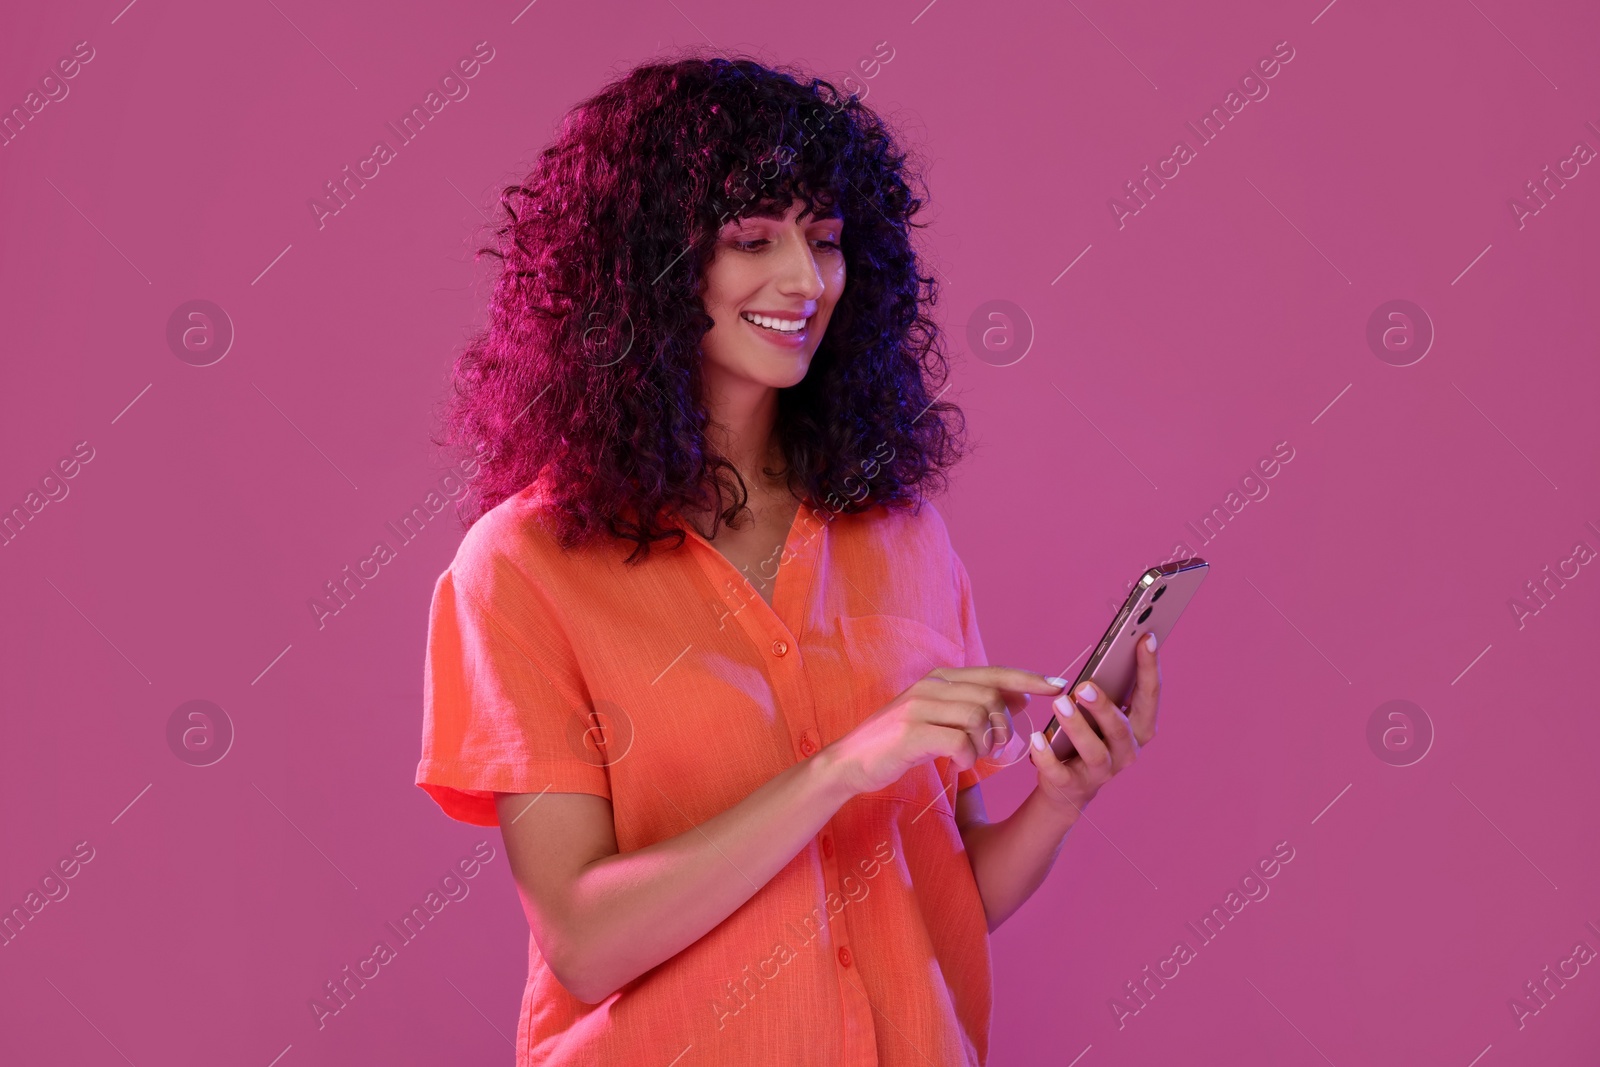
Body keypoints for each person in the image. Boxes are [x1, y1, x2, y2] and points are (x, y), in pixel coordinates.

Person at [415, 52, 1161, 1066]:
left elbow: (946, 894)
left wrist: (1063, 795)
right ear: (648, 268)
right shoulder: (522, 565)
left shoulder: (900, 536)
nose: (805, 281)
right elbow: (586, 942)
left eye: (825, 240)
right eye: (752, 239)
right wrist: (843, 766)